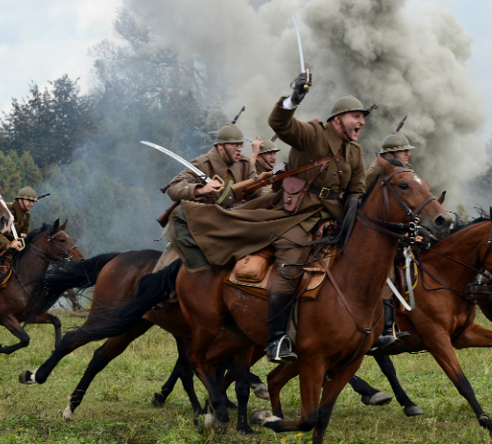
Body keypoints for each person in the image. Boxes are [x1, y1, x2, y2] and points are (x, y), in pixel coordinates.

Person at [262, 74, 371, 363]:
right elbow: (280, 124)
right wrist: (294, 98)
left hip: (336, 219)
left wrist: (354, 210)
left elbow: (357, 187)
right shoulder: (313, 133)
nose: (361, 122)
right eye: (356, 116)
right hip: (299, 214)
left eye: (363, 117)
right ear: (338, 119)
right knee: (292, 266)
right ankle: (276, 340)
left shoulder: (355, 151)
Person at [152, 124, 258, 273]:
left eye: (240, 144)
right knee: (168, 270)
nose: (239, 148)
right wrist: (200, 189)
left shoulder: (244, 165)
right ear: (221, 147)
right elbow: (173, 189)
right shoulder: (202, 164)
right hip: (199, 228)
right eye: (234, 145)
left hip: (232, 224)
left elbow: (260, 189)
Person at [365, 129, 417, 350]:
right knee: (386, 273)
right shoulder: (375, 173)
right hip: (374, 234)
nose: (408, 155)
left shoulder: (406, 173)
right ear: (392, 154)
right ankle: (387, 327)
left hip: (399, 231)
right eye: (404, 151)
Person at [0, 186, 38, 318]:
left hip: (13, 249)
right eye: (29, 201)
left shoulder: (26, 215)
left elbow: (24, 232)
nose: (31, 204)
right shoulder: (6, 210)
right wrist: (8, 244)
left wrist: (23, 238)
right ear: (20, 200)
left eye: (33, 202)